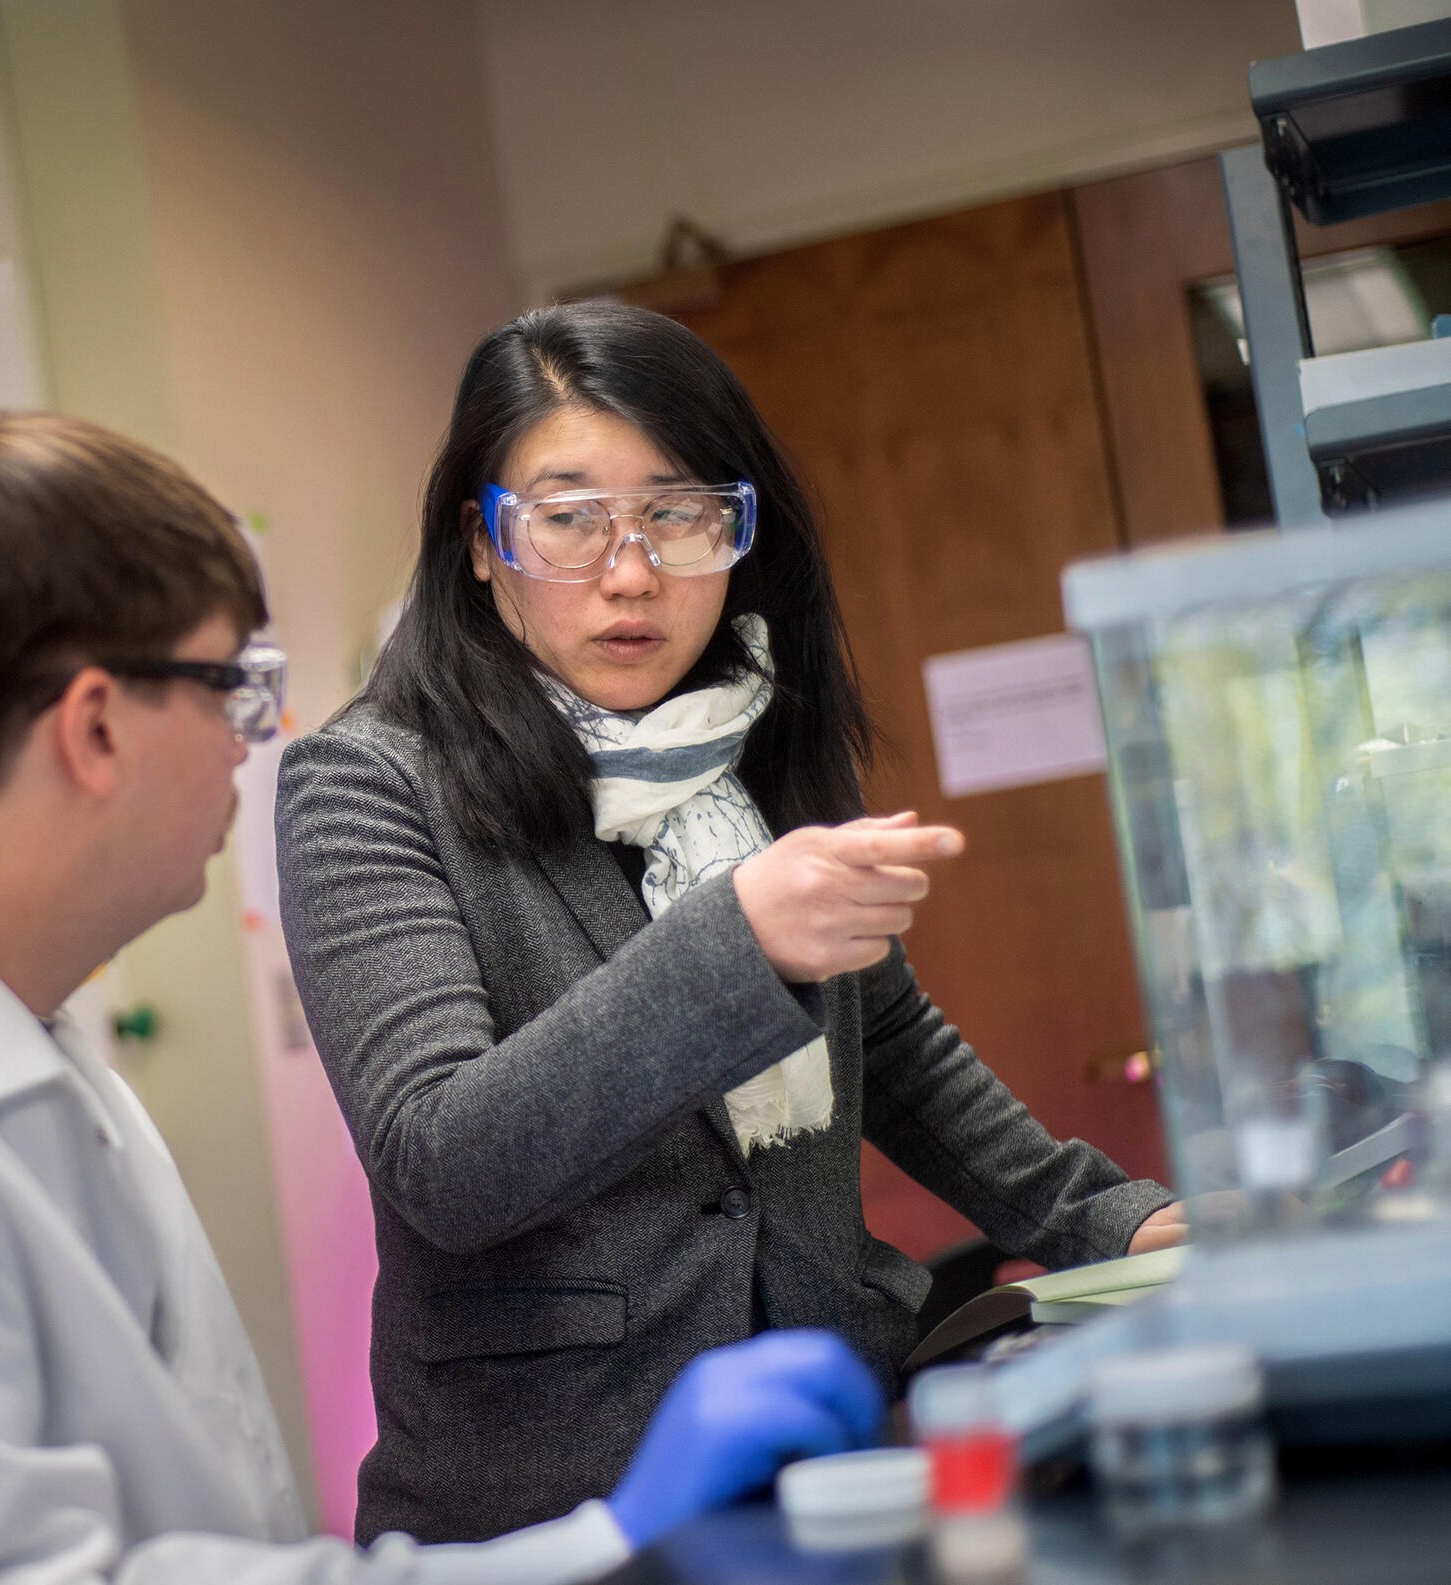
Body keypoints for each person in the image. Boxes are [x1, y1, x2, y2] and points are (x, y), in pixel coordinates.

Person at [0, 409, 889, 1585]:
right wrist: (609, 1542)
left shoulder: (1, 1036)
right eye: (233, 686)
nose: (254, 742)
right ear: (94, 727)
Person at [273, 300, 1186, 1546]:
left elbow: (893, 1044)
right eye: (569, 518)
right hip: (547, 1499)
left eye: (675, 513)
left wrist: (1103, 1216)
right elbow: (442, 1158)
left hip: (833, 1439)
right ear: (481, 544)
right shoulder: (368, 779)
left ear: (735, 532)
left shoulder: (746, 745)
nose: (631, 570)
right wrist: (733, 944)